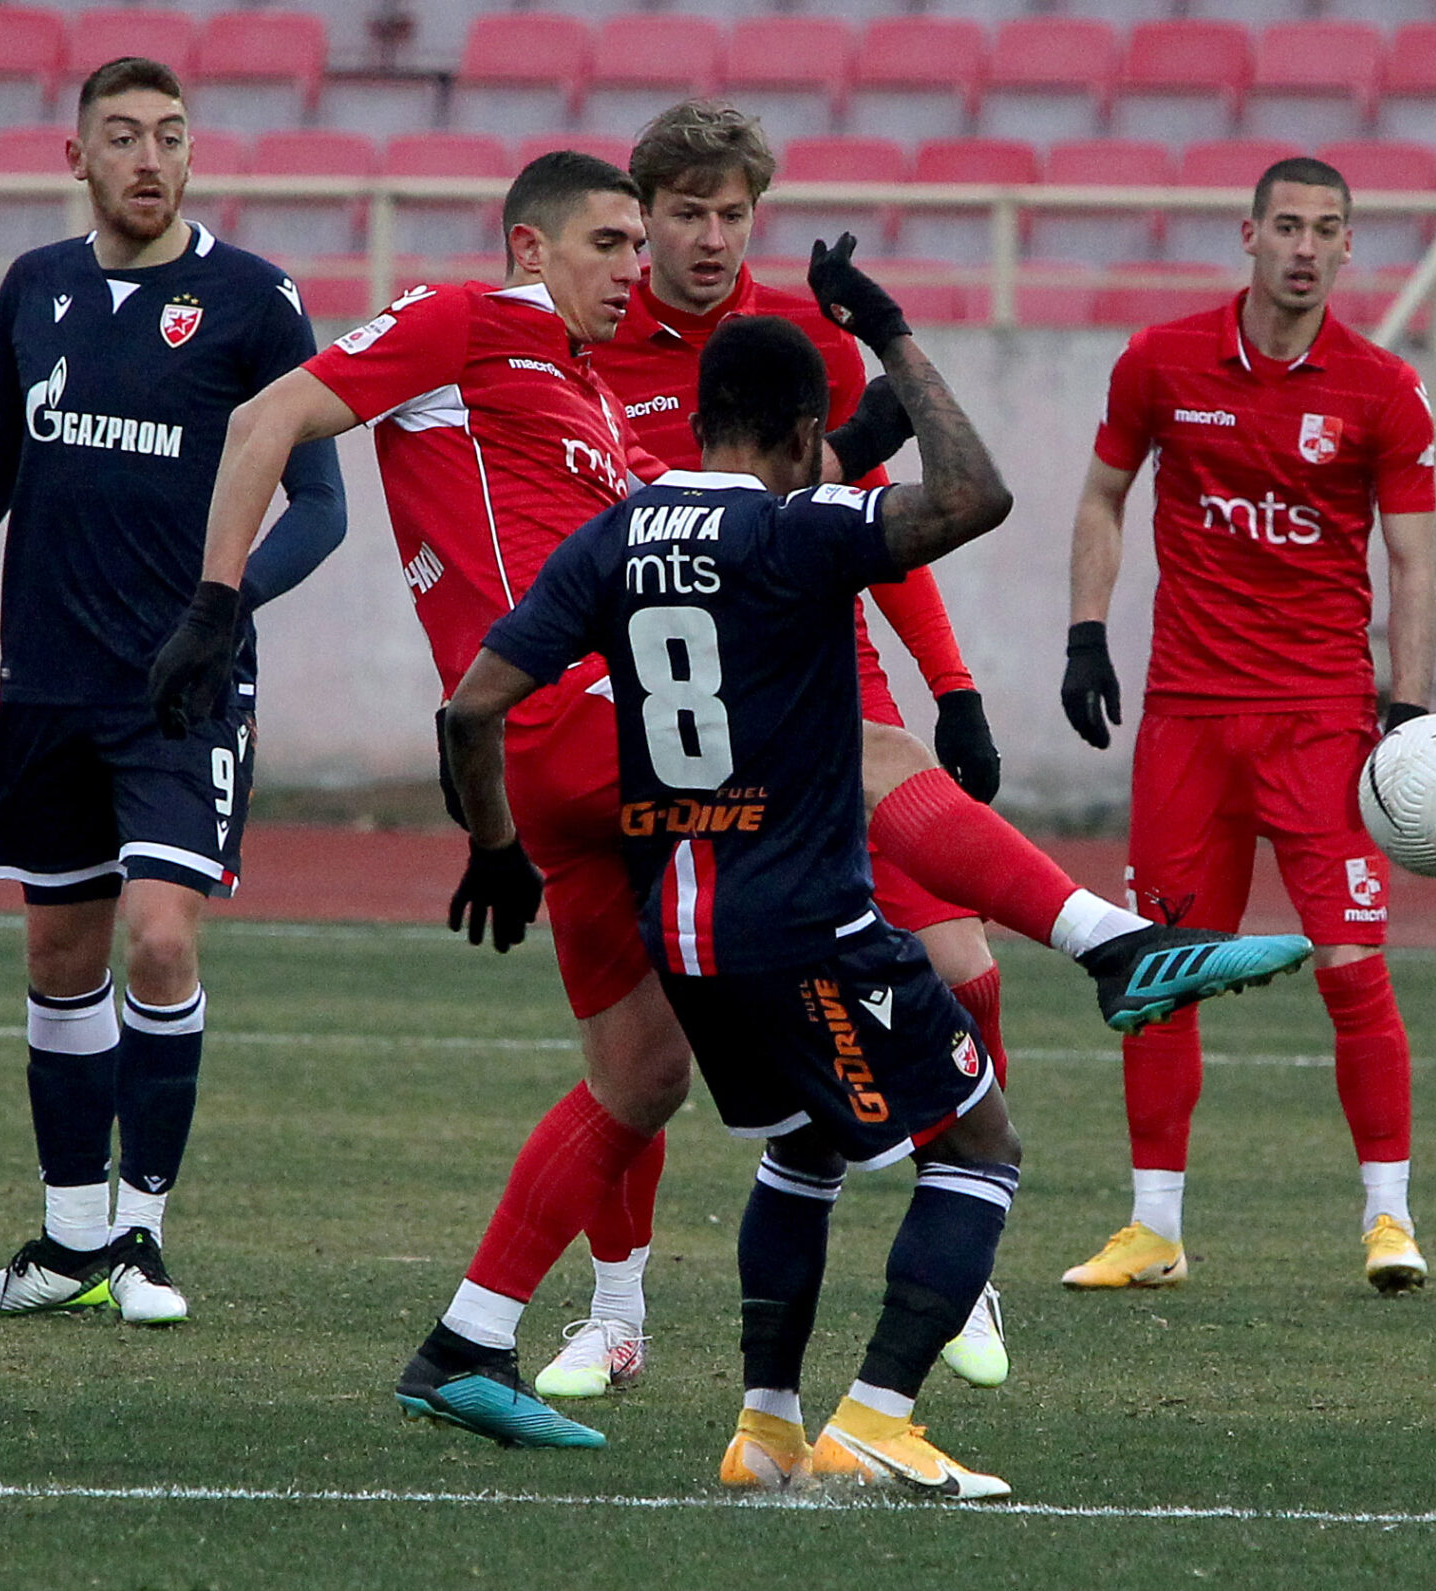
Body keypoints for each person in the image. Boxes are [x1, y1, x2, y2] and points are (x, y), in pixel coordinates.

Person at [151, 159, 1309, 1450]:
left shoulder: (594, 399)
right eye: (608, 241)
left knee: (641, 1076)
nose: (629, 266)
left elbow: (767, 504)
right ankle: (1117, 944)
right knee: (856, 746)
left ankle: (466, 1339)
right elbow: (265, 418)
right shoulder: (463, 323)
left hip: (547, 762)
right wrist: (216, 599)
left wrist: (495, 838)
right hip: (574, 716)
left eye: (638, 243)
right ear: (531, 247)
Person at [440, 288, 1034, 1497]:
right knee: (978, 1143)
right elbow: (974, 496)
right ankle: (875, 1416)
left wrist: (493, 842)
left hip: (684, 927)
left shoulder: (612, 536)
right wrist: (895, 340)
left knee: (801, 1151)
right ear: (806, 430)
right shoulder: (796, 531)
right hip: (806, 907)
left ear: (701, 418)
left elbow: (469, 707)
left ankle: (763, 1429)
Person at [540, 97, 1061, 1397]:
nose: (713, 237)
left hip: (837, 711)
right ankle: (615, 1312)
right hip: (682, 738)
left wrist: (955, 686)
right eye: (688, 213)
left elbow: (880, 522)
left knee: (960, 956)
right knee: (642, 1045)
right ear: (640, 218)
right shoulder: (590, 349)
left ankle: (961, 1252)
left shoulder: (788, 343)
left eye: (734, 214)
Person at [0, 55, 347, 1326]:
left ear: (190, 155)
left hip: (179, 692)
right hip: (47, 684)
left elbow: (323, 511)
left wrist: (218, 617)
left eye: (169, 135)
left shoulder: (252, 303)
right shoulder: (36, 291)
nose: (148, 158)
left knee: (160, 937)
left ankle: (143, 1235)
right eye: (121, 136)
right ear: (77, 159)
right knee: (59, 952)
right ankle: (66, 1246)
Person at [1057, 157, 1436, 1297]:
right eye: (1287, 226)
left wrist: (1407, 712)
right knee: (1161, 974)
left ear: (1348, 247)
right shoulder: (1160, 360)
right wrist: (1086, 632)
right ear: (1248, 234)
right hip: (1186, 721)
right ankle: (1154, 1227)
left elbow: (1413, 556)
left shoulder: (1382, 388)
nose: (1305, 247)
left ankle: (1388, 1217)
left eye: (1327, 228)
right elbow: (1100, 493)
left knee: (1351, 966)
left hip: (1322, 722)